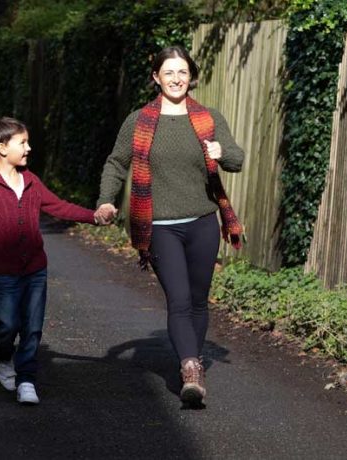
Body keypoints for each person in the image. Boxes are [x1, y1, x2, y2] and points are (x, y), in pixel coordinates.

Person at [95, 45, 245, 406]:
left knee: (197, 301)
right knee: (178, 300)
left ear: (191, 76)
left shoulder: (209, 119)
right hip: (159, 225)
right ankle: (191, 369)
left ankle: (191, 362)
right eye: (168, 73)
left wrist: (221, 152)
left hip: (203, 223)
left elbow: (237, 160)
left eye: (182, 72)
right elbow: (116, 163)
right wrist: (106, 199)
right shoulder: (139, 121)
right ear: (156, 78)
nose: (176, 79)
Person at [0, 116, 101, 405]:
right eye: (22, 143)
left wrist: (93, 216)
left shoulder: (32, 182)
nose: (29, 148)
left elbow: (59, 207)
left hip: (35, 269)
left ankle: (26, 379)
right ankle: (3, 356)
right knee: (7, 325)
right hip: (4, 274)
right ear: (2, 148)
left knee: (32, 327)